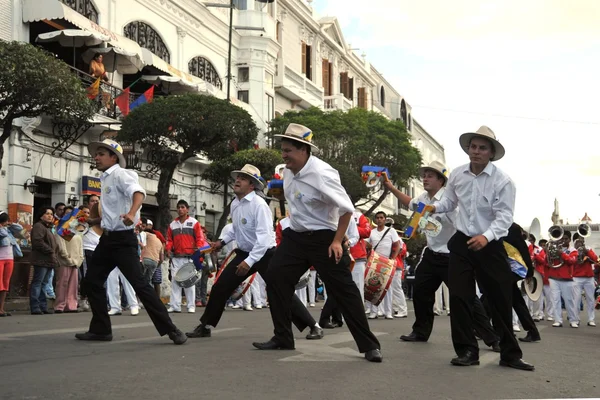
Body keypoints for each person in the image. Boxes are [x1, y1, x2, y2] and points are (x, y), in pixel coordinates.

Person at [253, 123, 381, 362]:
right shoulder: (288, 171)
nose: (283, 155)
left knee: (344, 290)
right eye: (283, 149)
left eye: (288, 150)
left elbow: (346, 209)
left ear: (303, 150)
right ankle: (282, 337)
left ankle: (369, 345)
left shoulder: (323, 173)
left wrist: (336, 241)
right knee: (276, 278)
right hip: (296, 236)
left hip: (324, 238)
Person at [431, 126, 534, 371]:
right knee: (459, 297)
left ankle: (510, 354)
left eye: (482, 148)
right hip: (462, 243)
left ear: (491, 153)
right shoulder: (457, 174)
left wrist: (486, 237)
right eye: (473, 147)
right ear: (468, 149)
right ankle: (467, 350)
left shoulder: (503, 181)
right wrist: (435, 207)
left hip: (491, 245)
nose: (476, 152)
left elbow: (504, 218)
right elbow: (449, 201)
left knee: (499, 299)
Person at [186, 164, 323, 341]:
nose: (237, 181)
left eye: (242, 179)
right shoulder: (235, 204)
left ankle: (314, 326)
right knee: (220, 286)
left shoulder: (259, 205)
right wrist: (221, 242)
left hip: (266, 254)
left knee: (280, 291)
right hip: (244, 252)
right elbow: (235, 230)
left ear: (252, 185)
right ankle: (206, 326)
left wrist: (250, 262)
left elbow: (264, 238)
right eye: (238, 177)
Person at [76, 139, 186, 344]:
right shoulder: (105, 178)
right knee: (92, 282)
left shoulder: (121, 174)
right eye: (96, 154)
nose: (96, 157)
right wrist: (95, 220)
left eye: (101, 154)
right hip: (106, 240)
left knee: (140, 285)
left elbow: (138, 193)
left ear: (113, 157)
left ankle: (171, 330)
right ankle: (101, 330)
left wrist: (132, 212)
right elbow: (113, 212)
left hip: (123, 241)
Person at [385, 161, 500, 351]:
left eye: (430, 175)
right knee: (421, 292)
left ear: (441, 180)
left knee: (466, 298)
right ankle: (421, 331)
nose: (425, 179)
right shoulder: (423, 198)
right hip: (431, 255)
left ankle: (492, 338)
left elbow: (464, 226)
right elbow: (410, 203)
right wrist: (390, 188)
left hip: (451, 256)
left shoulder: (449, 202)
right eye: (424, 175)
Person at [166, 199, 207, 313]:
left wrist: (198, 249)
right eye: (178, 207)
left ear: (187, 209)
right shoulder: (172, 225)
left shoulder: (194, 223)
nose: (180, 209)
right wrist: (168, 249)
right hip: (176, 257)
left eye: (183, 207)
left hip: (190, 257)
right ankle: (175, 306)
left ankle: (190, 306)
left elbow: (200, 238)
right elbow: (169, 240)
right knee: (175, 282)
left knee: (189, 282)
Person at [366, 211, 402, 320]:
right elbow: (367, 245)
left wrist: (393, 258)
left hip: (387, 262)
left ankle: (388, 312)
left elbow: (398, 245)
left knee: (387, 289)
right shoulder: (371, 232)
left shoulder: (391, 231)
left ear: (385, 219)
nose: (379, 219)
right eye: (377, 218)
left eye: (381, 217)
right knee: (372, 287)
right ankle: (373, 312)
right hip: (374, 262)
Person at [30, 206, 59, 315]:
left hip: (49, 260)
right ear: (41, 215)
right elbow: (38, 242)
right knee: (37, 283)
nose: (50, 216)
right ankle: (35, 306)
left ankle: (43, 306)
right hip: (41, 259)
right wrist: (50, 251)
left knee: (44, 283)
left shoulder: (48, 228)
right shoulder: (38, 226)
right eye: (47, 213)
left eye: (51, 214)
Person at [546, 231, 578, 328]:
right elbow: (546, 262)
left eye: (566, 239)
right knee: (555, 300)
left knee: (569, 300)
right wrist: (547, 253)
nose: (563, 240)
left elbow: (572, 261)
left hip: (567, 278)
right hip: (553, 277)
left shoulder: (573, 250)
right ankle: (558, 320)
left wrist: (561, 254)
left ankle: (573, 320)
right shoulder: (554, 248)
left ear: (569, 240)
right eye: (562, 238)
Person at [54, 229, 84, 313]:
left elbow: (80, 247)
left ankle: (71, 305)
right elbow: (61, 248)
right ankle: (60, 305)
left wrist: (79, 260)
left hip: (75, 262)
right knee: (62, 284)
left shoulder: (77, 232)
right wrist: (67, 259)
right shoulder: (61, 230)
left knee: (73, 285)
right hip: (64, 262)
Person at [571, 233, 598, 327]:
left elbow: (596, 259)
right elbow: (572, 261)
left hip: (589, 277)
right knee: (576, 299)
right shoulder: (572, 250)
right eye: (578, 240)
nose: (580, 242)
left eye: (582, 239)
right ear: (574, 241)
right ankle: (575, 320)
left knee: (591, 299)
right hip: (576, 277)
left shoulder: (589, 249)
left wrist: (587, 252)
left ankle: (591, 319)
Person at [0, 212, 23, 317]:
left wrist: (10, 223)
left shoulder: (8, 229)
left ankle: (1, 309)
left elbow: (19, 229)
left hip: (9, 258)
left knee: (5, 284)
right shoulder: (2, 230)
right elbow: (2, 234)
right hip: (0, 259)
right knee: (0, 284)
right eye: (4, 220)